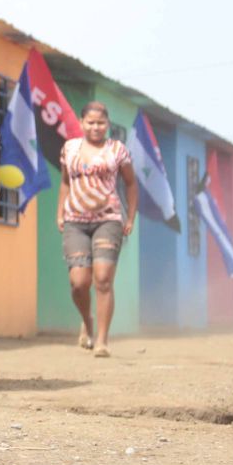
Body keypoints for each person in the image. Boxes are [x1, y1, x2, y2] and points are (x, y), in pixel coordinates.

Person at [58, 102, 136, 358]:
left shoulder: (117, 150)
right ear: (81, 123)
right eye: (90, 122)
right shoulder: (70, 149)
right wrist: (60, 212)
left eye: (101, 123)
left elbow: (131, 183)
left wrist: (130, 217)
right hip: (75, 221)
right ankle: (87, 321)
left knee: (102, 280)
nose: (95, 127)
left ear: (108, 124)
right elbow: (65, 182)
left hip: (108, 220)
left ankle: (102, 340)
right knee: (79, 282)